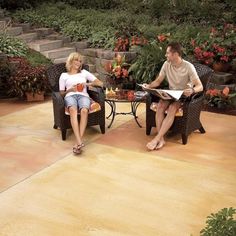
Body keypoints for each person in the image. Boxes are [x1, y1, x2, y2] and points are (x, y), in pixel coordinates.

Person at [144, 42, 203, 150]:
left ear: (175, 54)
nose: (165, 55)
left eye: (167, 53)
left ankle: (157, 139)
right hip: (171, 93)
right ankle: (161, 139)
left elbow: (200, 86)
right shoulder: (166, 64)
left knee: (172, 108)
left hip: (183, 96)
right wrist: (148, 86)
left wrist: (192, 90)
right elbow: (158, 81)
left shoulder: (188, 67)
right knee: (161, 105)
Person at [59, 52, 103, 155]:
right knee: (73, 110)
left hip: (83, 96)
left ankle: (78, 142)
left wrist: (87, 84)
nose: (78, 63)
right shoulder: (64, 75)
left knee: (84, 110)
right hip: (70, 96)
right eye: (76, 60)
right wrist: (70, 90)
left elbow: (100, 83)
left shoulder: (84, 73)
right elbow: (61, 93)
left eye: (80, 61)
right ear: (71, 61)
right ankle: (79, 142)